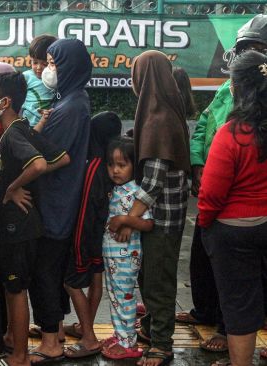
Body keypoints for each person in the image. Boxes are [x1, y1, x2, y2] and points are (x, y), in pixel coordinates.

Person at [177, 14, 267, 355]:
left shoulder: (237, 129)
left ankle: (232, 336)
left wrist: (206, 216)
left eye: (257, 49)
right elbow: (201, 126)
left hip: (227, 213)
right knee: (211, 269)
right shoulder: (224, 96)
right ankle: (208, 313)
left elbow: (214, 194)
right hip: (229, 199)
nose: (249, 55)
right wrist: (199, 163)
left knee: (239, 291)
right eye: (246, 48)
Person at [108, 50, 190, 366]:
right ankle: (151, 328)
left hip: (162, 218)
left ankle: (162, 344)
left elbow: (153, 182)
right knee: (151, 275)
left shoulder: (159, 118)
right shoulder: (162, 110)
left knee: (158, 280)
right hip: (163, 215)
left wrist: (129, 218)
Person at [0, 71, 69, 366]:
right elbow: (61, 158)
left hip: (17, 224)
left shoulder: (12, 134)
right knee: (15, 285)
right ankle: (13, 339)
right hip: (26, 223)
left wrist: (13, 188)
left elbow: (37, 164)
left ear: (5, 101)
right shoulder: (23, 127)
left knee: (15, 288)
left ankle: (20, 357)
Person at [198, 50, 267, 366]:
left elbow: (211, 193)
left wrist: (205, 223)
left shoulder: (232, 134)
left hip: (233, 231)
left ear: (239, 87)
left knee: (239, 305)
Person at [30, 38, 91, 363]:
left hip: (55, 203)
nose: (47, 69)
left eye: (53, 63)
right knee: (50, 272)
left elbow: (49, 156)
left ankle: (51, 343)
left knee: (44, 273)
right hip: (57, 201)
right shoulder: (70, 100)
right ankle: (56, 332)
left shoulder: (70, 108)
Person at [63, 111, 122, 359]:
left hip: (85, 236)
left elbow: (86, 207)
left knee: (70, 282)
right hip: (102, 235)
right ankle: (83, 327)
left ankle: (88, 337)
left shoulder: (94, 166)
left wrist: (77, 243)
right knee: (96, 279)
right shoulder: (111, 165)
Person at [101, 137, 153, 360]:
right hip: (113, 257)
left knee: (125, 297)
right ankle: (120, 335)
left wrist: (126, 219)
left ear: (134, 166)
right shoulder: (115, 189)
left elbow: (148, 223)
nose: (115, 170)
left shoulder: (135, 193)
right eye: (111, 165)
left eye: (122, 165)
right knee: (115, 296)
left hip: (125, 256)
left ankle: (129, 343)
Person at [20, 35, 57, 127]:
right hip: (28, 125)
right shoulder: (26, 77)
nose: (39, 68)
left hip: (49, 126)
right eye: (35, 62)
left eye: (44, 64)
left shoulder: (57, 78)